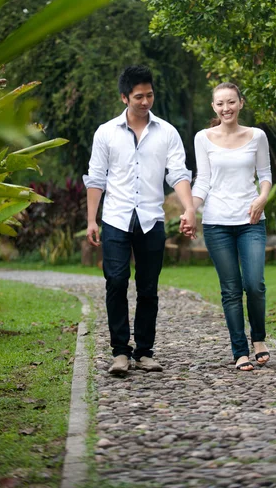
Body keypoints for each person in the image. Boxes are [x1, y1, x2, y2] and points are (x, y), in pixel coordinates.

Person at [83, 65, 196, 375]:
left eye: (149, 95)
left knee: (148, 287)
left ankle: (144, 351)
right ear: (124, 97)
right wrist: (92, 220)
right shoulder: (106, 132)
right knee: (116, 281)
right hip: (116, 219)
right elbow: (96, 178)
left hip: (151, 219)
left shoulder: (167, 132)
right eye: (138, 97)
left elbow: (178, 173)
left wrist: (188, 208)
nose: (145, 102)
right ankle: (120, 352)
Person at [185, 82, 272, 371]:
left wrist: (261, 199)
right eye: (220, 103)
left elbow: (266, 175)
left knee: (255, 284)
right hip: (217, 223)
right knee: (231, 290)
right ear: (214, 107)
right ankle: (240, 351)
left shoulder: (256, 136)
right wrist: (190, 209)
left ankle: (258, 338)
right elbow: (204, 180)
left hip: (251, 220)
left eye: (231, 102)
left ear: (241, 103)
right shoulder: (203, 138)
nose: (226, 108)